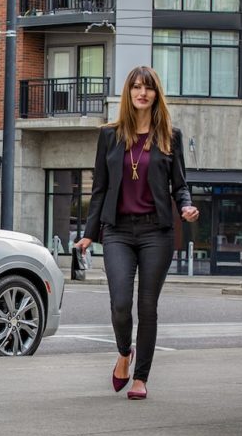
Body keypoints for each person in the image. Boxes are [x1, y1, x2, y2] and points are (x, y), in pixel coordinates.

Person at [74, 66, 199, 400]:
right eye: (136, 87)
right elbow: (99, 188)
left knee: (147, 307)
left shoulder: (170, 137)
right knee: (119, 303)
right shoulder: (109, 136)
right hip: (117, 232)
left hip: (156, 232)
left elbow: (180, 185)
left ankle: (141, 377)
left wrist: (186, 207)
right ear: (128, 94)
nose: (142, 93)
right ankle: (123, 353)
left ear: (157, 94)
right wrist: (89, 232)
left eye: (149, 88)